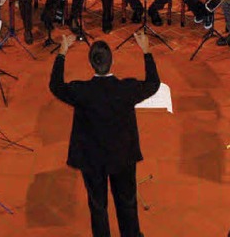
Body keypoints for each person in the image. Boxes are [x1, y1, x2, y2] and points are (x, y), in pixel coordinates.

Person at [49, 31, 160, 237]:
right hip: (122, 155)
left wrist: (62, 51)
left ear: (91, 63)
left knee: (98, 205)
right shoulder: (126, 88)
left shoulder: (81, 91)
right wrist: (146, 51)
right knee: (127, 201)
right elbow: (153, 84)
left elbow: (55, 86)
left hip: (91, 158)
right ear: (113, 61)